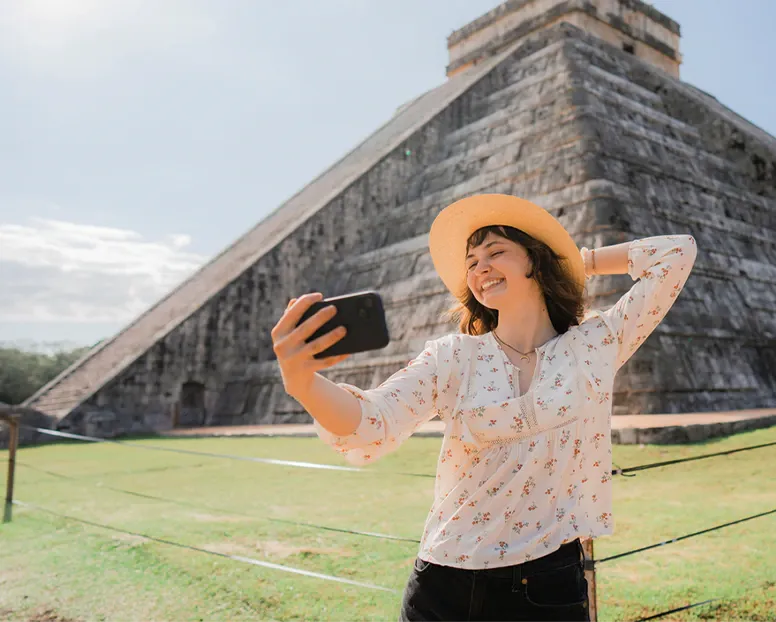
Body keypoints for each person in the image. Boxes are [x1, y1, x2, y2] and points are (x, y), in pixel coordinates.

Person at [270, 194, 697, 621]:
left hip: (550, 586)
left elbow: (677, 254)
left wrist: (575, 260)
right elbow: (372, 422)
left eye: (496, 252)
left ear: (536, 261)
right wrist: (302, 384)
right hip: (446, 586)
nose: (480, 268)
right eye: (471, 262)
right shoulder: (453, 357)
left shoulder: (595, 344)